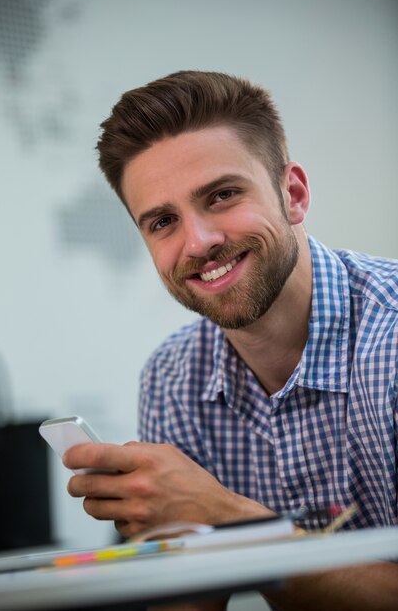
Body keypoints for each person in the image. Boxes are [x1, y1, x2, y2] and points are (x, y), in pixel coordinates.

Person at [64, 71, 398, 610]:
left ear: (292, 194)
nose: (199, 242)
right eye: (163, 221)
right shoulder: (173, 376)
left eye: (221, 195)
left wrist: (228, 517)